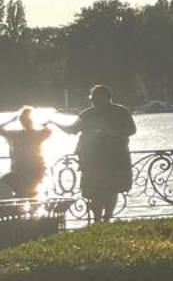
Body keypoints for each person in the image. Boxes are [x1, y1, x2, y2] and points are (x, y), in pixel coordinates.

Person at [66, 86, 136, 223]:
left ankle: (107, 219)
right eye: (92, 99)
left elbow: (132, 130)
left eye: (96, 98)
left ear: (106, 97)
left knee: (112, 189)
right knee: (94, 191)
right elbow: (72, 129)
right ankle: (97, 220)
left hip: (116, 158)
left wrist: (111, 132)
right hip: (92, 159)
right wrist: (53, 122)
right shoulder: (87, 114)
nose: (93, 101)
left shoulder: (121, 111)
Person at [0, 108, 52, 198]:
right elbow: (48, 131)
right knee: (25, 194)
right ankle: (23, 209)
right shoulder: (32, 134)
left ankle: (21, 209)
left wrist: (10, 120)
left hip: (29, 171)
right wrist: (44, 124)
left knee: (24, 194)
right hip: (27, 171)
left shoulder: (17, 135)